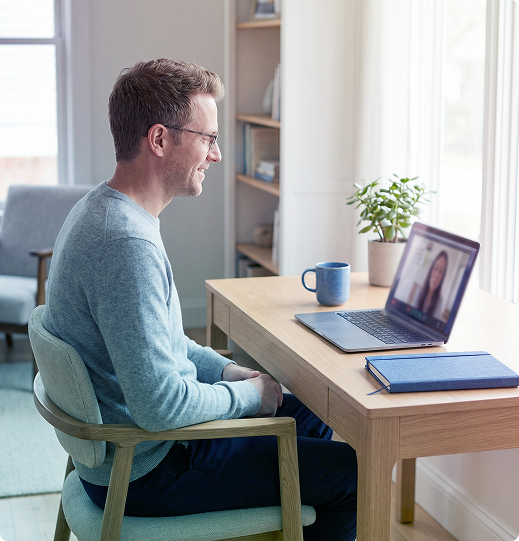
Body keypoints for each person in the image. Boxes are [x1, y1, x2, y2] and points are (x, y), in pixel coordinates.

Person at [42, 59, 357, 540]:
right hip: (148, 469)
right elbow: (160, 407)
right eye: (208, 138)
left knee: (309, 418)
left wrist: (230, 372)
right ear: (160, 140)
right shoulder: (126, 245)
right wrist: (249, 396)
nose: (216, 155)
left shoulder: (104, 212)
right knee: (348, 473)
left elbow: (166, 345)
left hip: (139, 450)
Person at [412, 250, 448, 319]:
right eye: (436, 268)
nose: (437, 275)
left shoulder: (440, 301)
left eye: (441, 271)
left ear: (443, 276)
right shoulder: (419, 291)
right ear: (431, 270)